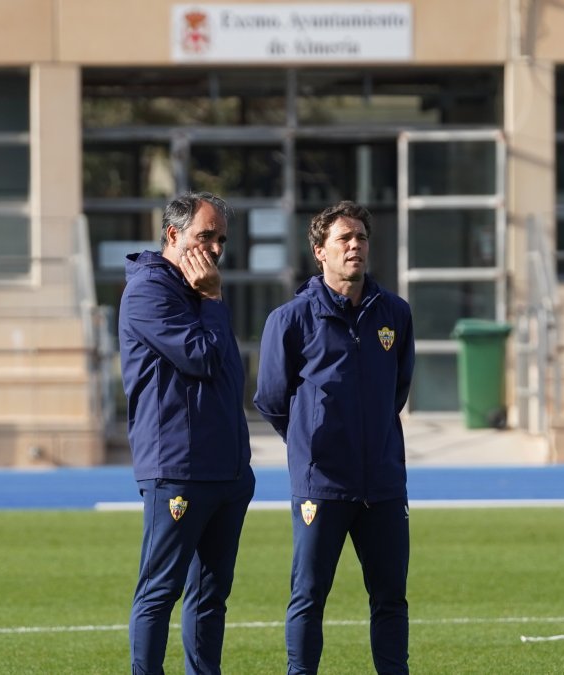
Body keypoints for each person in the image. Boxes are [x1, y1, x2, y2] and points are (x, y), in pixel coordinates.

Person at [254, 201, 416, 675]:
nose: (355, 246)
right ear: (319, 252)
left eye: (361, 238)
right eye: (344, 239)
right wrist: (309, 442)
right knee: (308, 596)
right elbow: (270, 397)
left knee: (390, 598)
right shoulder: (290, 319)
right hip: (321, 485)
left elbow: (398, 387)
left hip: (383, 484)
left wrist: (375, 438)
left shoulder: (395, 314)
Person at [119, 192, 255, 675]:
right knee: (160, 591)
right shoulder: (149, 292)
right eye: (205, 236)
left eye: (221, 239)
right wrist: (214, 299)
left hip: (226, 469)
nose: (215, 248)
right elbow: (199, 357)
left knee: (211, 597)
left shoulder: (198, 290)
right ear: (173, 235)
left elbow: (227, 376)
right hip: (177, 468)